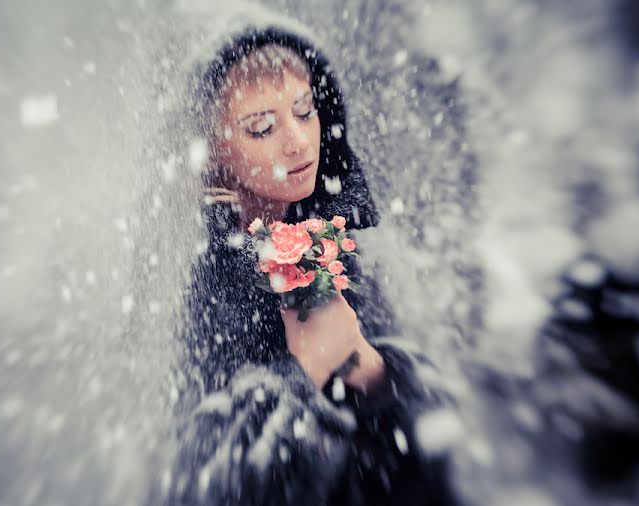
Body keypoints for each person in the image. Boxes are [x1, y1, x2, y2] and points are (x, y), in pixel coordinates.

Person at [149, 7, 459, 506]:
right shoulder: (219, 284)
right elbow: (207, 474)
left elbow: (428, 438)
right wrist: (303, 385)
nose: (298, 143)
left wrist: (374, 373)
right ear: (216, 151)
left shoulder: (332, 247)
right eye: (261, 127)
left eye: (305, 109)